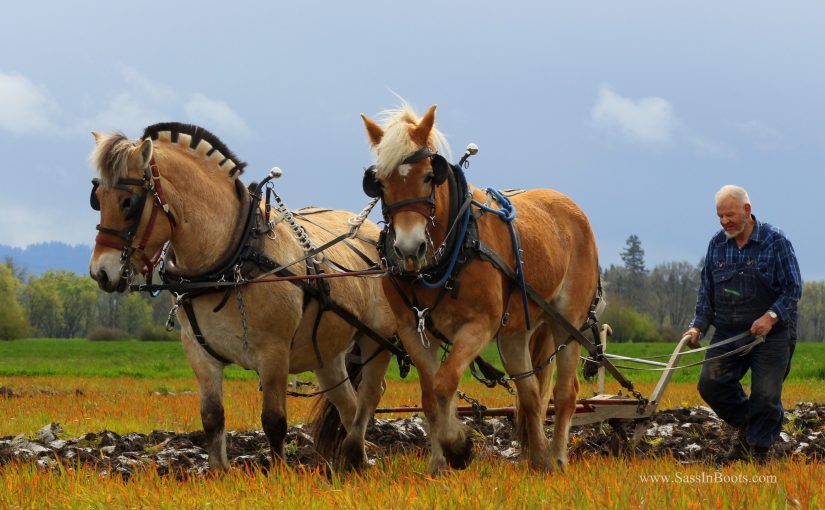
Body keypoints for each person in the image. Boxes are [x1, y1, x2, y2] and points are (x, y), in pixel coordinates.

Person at [684, 184, 801, 463]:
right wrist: (698, 325)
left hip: (771, 335)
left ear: (747, 211)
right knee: (711, 385)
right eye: (720, 217)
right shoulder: (717, 244)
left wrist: (770, 317)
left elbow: (793, 289)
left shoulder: (776, 242)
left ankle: (756, 454)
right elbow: (707, 291)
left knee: (766, 394)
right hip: (729, 331)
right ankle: (751, 426)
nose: (725, 222)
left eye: (730, 215)